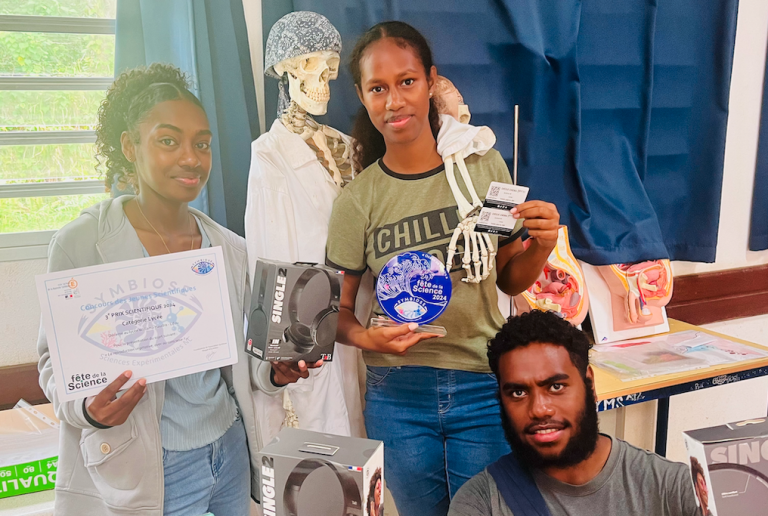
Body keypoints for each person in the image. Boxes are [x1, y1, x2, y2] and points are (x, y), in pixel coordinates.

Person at [37, 63, 317, 516]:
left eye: (202, 144)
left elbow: (241, 356)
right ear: (129, 146)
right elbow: (55, 364)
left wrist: (275, 371)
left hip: (228, 447)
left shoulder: (228, 248)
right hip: (148, 461)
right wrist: (87, 409)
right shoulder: (82, 243)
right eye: (168, 141)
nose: (191, 158)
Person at [326, 21, 560, 515]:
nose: (395, 101)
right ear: (362, 96)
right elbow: (336, 313)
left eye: (407, 81)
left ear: (431, 81)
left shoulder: (483, 167)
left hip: (481, 380)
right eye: (378, 88)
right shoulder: (357, 200)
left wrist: (541, 246)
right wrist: (369, 338)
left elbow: (508, 278)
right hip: (398, 393)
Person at [448, 310, 700, 516]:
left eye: (556, 387)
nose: (539, 409)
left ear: (589, 383)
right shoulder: (481, 503)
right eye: (518, 392)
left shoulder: (676, 489)